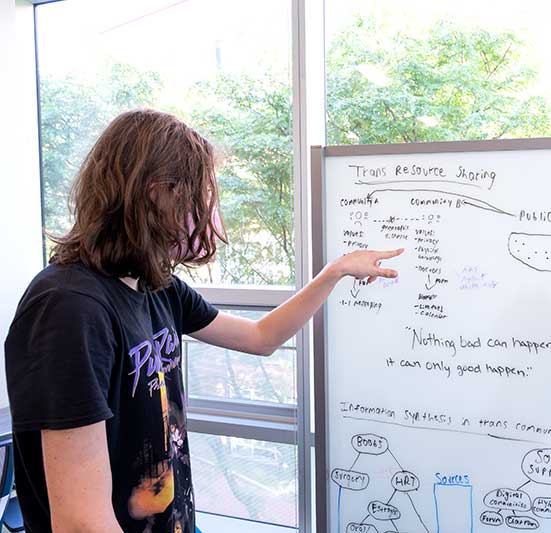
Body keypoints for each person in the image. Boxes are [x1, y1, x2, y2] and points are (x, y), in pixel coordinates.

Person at [4, 109, 403, 532]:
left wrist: (332, 273)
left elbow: (261, 337)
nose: (206, 214)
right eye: (197, 196)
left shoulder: (156, 286)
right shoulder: (68, 308)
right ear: (156, 194)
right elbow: (81, 522)